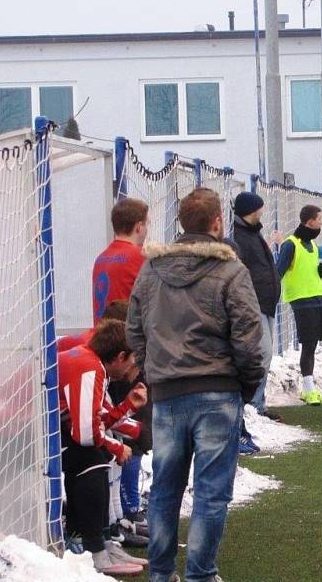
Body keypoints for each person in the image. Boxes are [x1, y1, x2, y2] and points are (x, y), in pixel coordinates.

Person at [126, 188, 265, 582]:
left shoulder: (152, 270)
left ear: (181, 224)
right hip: (217, 392)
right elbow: (249, 336)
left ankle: (162, 572)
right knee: (211, 493)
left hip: (168, 393)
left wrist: (152, 369)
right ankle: (201, 574)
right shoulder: (231, 270)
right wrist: (246, 384)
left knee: (166, 489)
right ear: (217, 223)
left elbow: (134, 329)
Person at [59, 319, 148, 577]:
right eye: (132, 360)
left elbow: (99, 417)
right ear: (120, 356)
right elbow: (86, 433)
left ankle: (102, 541)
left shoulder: (92, 362)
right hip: (23, 434)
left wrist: (128, 405)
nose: (133, 367)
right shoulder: (89, 367)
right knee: (94, 457)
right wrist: (117, 449)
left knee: (97, 453)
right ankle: (93, 549)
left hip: (44, 432)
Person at [231, 191, 283, 455]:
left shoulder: (252, 234)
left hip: (265, 303)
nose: (262, 212)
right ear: (250, 210)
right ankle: (252, 405)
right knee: (261, 354)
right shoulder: (240, 238)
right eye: (259, 208)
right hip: (255, 305)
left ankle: (257, 404)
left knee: (266, 353)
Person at [277, 205, 322, 406]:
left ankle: (310, 388)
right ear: (309, 221)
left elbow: (305, 269)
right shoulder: (291, 244)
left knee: (313, 344)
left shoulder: (313, 245)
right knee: (308, 345)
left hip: (317, 297)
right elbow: (279, 271)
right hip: (301, 300)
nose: (321, 223)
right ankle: (308, 390)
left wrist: (319, 272)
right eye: (319, 219)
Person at [92, 198, 150, 324]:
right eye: (147, 224)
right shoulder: (140, 256)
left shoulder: (100, 259)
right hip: (125, 337)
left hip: (102, 335)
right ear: (139, 227)